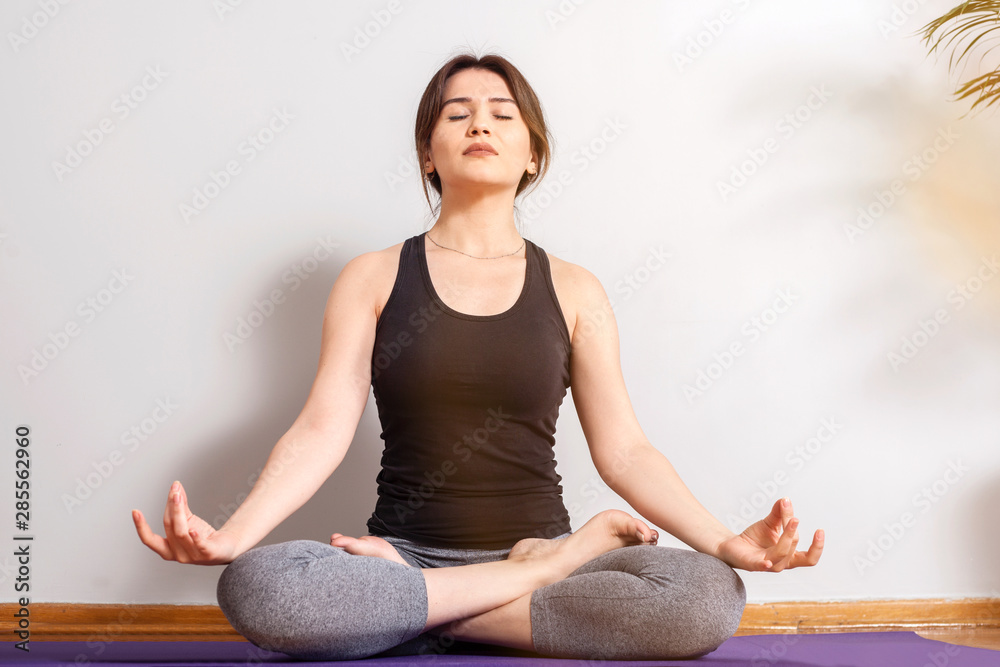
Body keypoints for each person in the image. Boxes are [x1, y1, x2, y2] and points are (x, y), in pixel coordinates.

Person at [132, 51, 824, 661]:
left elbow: (627, 452)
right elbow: (322, 428)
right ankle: (503, 591)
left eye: (501, 113)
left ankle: (424, 616)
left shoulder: (577, 289)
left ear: (533, 154)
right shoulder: (372, 278)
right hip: (407, 559)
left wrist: (726, 542)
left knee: (707, 596)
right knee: (259, 588)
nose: (480, 124)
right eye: (457, 114)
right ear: (428, 155)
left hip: (534, 551)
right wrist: (234, 534)